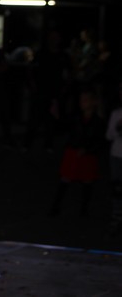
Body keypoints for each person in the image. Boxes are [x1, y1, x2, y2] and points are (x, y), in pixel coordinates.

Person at [49, 86, 107, 217]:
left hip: (88, 155)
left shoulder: (98, 122)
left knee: (87, 181)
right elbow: (64, 127)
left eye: (86, 100)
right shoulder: (76, 117)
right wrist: (56, 117)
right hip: (74, 151)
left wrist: (88, 149)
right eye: (81, 100)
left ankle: (84, 209)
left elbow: (101, 141)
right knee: (65, 179)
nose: (82, 103)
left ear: (93, 102)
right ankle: (55, 207)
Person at [105, 79, 122, 236]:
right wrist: (117, 128)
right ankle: (116, 217)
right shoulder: (116, 113)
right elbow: (109, 135)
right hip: (116, 155)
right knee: (117, 188)